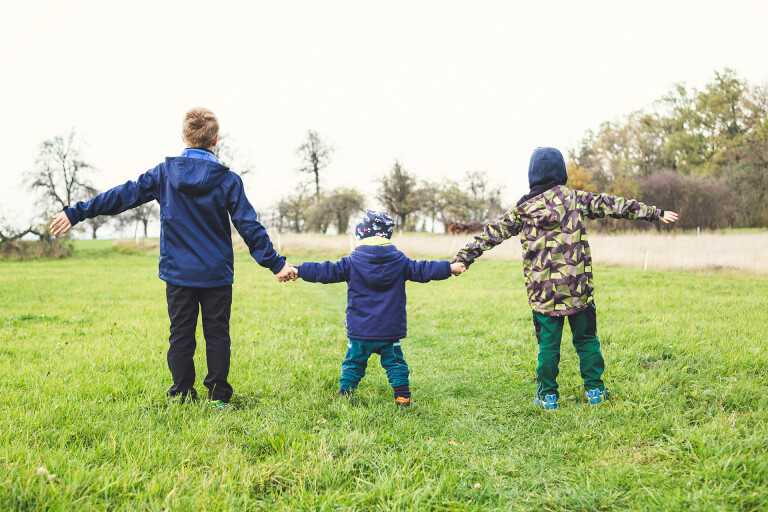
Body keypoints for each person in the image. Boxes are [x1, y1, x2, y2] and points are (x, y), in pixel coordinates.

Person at [50, 107, 296, 409]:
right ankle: (218, 398)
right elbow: (248, 225)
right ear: (215, 139)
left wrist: (77, 212)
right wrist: (276, 263)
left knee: (180, 335)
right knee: (217, 334)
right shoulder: (229, 180)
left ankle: (181, 393)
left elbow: (122, 195)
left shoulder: (164, 174)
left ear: (184, 136)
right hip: (216, 273)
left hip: (178, 273)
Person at [451, 147, 678, 410]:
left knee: (548, 346)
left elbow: (491, 233)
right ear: (562, 172)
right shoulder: (574, 199)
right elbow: (613, 204)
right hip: (578, 289)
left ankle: (548, 396)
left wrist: (464, 258)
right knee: (586, 340)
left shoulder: (523, 210)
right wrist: (655, 213)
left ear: (532, 176)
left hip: (544, 294)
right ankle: (594, 390)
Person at [291, 210, 464, 406]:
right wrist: (449, 268)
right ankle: (402, 397)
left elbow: (325, 271)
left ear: (361, 235)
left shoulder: (352, 262)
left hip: (360, 331)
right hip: (389, 331)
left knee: (353, 363)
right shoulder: (400, 261)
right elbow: (424, 269)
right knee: (396, 364)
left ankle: (345, 394)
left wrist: (299, 270)